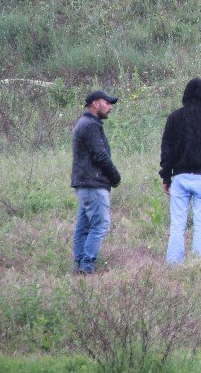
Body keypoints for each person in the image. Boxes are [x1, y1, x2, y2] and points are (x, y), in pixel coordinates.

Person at [159, 77, 201, 265]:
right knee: (200, 225)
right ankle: (198, 265)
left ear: (185, 95)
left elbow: (167, 150)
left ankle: (173, 265)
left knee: (177, 225)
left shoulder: (174, 117)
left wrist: (166, 177)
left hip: (180, 177)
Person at [71, 90, 122, 274]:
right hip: (93, 184)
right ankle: (86, 267)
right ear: (94, 104)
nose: (110, 107)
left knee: (83, 227)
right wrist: (115, 177)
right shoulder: (90, 126)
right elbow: (100, 155)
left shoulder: (84, 124)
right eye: (107, 103)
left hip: (84, 183)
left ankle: (79, 266)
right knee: (100, 225)